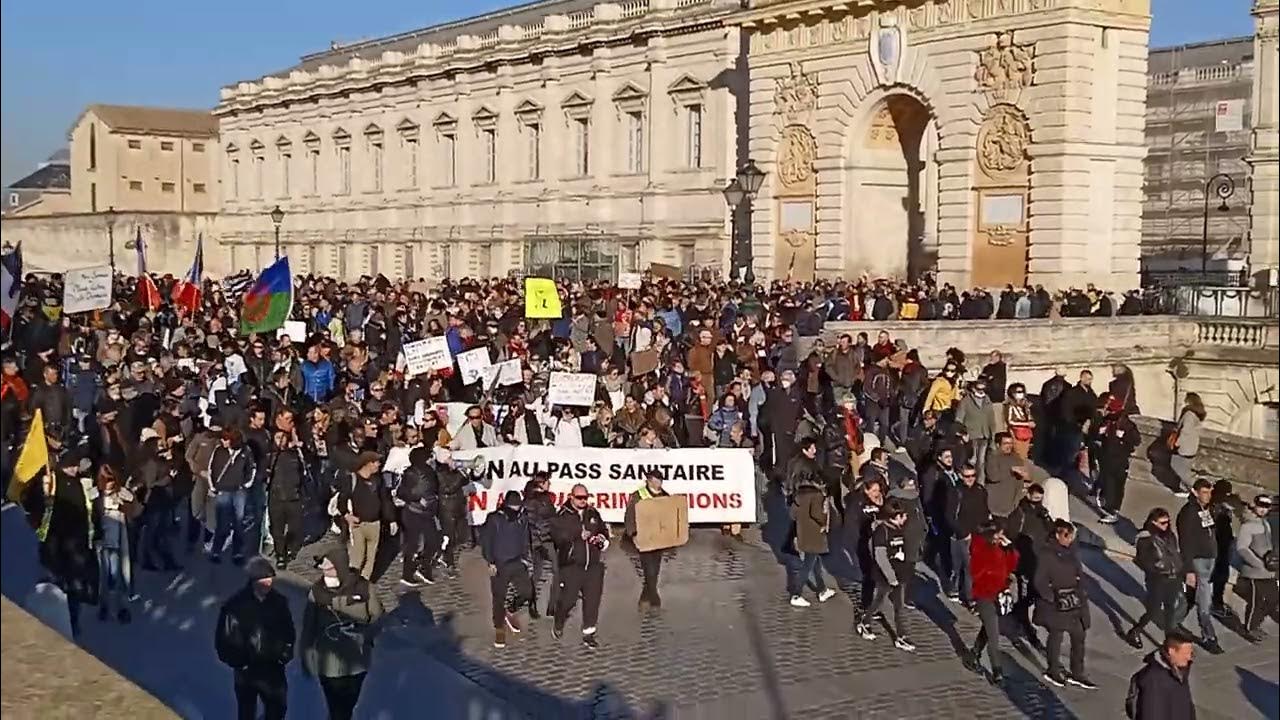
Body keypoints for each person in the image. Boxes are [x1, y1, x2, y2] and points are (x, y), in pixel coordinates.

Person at [21, 437, 98, 638]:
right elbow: (32, 505)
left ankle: (71, 622)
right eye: (72, 465)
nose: (75, 469)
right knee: (61, 588)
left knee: (71, 589)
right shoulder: (50, 483)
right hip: (57, 545)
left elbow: (90, 509)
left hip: (73, 547)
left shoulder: (80, 483)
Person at [301, 547, 384, 720]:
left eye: (329, 569)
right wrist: (306, 655)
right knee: (337, 708)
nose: (326, 574)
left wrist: (364, 634)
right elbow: (309, 627)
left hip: (357, 662)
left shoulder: (363, 588)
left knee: (349, 704)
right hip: (328, 664)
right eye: (323, 570)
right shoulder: (317, 592)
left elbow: (378, 618)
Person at [215, 557, 296, 720]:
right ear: (253, 581)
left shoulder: (279, 602)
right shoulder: (235, 606)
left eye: (270, 580)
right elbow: (223, 639)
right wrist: (239, 663)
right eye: (263, 580)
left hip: (273, 668)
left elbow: (289, 631)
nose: (268, 584)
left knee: (277, 709)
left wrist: (285, 653)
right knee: (246, 712)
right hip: (247, 671)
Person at [1034, 520, 1095, 689]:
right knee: (1056, 637)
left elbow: (1079, 574)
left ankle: (1077, 672)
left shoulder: (1072, 553)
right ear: (1057, 535)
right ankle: (1053, 670)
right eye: (1067, 536)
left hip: (1075, 601)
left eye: (1072, 537)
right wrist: (1051, 597)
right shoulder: (1047, 554)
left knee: (1079, 637)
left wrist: (1082, 590)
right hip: (1057, 603)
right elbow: (1039, 580)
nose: (1070, 540)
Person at [551, 483, 609, 649]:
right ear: (571, 497)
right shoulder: (562, 515)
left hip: (593, 566)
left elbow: (602, 530)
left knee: (592, 601)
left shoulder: (592, 513)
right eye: (579, 498)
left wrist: (602, 539)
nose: (583, 501)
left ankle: (589, 633)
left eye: (585, 497)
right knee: (568, 600)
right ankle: (559, 620)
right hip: (571, 565)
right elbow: (557, 536)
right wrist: (576, 535)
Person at [962, 520, 1019, 685]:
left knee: (988, 627)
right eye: (999, 533)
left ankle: (974, 653)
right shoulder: (980, 549)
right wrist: (991, 568)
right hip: (985, 596)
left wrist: (1010, 549)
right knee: (994, 634)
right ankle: (997, 670)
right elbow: (976, 573)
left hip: (999, 594)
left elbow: (1012, 565)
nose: (1001, 536)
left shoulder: (999, 548)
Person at [1125, 508, 1188, 649]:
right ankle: (1136, 631)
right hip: (1158, 580)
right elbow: (1142, 560)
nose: (1166, 525)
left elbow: (1175, 555)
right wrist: (1157, 569)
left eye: (1167, 521)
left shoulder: (1170, 535)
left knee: (1170, 609)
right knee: (1153, 609)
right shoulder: (1145, 538)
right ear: (1153, 522)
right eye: (1162, 522)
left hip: (1173, 577)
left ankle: (1169, 641)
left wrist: (1180, 571)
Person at [858, 500, 915, 652]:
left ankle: (900, 635)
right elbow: (880, 556)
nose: (906, 518)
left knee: (898, 606)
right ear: (896, 516)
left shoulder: (899, 529)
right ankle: (865, 621)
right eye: (904, 515)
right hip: (885, 574)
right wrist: (891, 577)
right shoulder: (882, 531)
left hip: (898, 573)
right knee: (880, 599)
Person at [1175, 478, 1224, 654]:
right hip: (1198, 561)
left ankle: (1174, 620)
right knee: (1205, 601)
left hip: (1210, 559)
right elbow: (1185, 543)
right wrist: (1188, 569)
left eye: (1210, 492)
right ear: (1195, 492)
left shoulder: (1206, 509)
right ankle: (1209, 636)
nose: (1208, 496)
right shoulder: (1188, 513)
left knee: (1193, 595)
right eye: (1204, 492)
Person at [482, 490, 534, 648]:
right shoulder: (494, 519)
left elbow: (525, 538)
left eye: (518, 506)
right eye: (513, 506)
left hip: (517, 562)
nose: (516, 510)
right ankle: (499, 629)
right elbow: (486, 541)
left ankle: (510, 609)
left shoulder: (522, 519)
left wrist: (525, 558)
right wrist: (490, 561)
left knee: (527, 592)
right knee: (498, 598)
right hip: (500, 564)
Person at [336, 451, 397, 581]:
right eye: (376, 462)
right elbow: (341, 501)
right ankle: (351, 584)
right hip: (358, 524)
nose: (379, 465)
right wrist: (347, 516)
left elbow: (385, 500)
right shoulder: (352, 480)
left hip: (375, 524)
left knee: (371, 558)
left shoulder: (378, 480)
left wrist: (391, 520)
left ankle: (364, 583)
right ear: (368, 463)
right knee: (357, 558)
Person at [788, 456, 836, 609]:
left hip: (803, 533)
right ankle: (796, 594)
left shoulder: (799, 495)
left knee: (815, 561)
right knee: (808, 565)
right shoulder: (817, 496)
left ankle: (822, 590)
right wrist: (824, 522)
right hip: (815, 533)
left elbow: (792, 514)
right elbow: (817, 513)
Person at [624, 471, 671, 612]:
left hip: (659, 538)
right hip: (643, 537)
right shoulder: (638, 495)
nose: (659, 483)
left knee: (655, 570)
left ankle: (644, 598)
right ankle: (654, 598)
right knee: (648, 569)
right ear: (649, 481)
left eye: (660, 480)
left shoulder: (665, 496)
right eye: (656, 480)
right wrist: (632, 534)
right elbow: (630, 515)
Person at [208, 428, 256, 564]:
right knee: (222, 523)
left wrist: (246, 484)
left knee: (239, 523)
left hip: (239, 491)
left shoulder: (246, 452)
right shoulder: (219, 451)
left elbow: (251, 468)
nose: (222, 441)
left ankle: (237, 552)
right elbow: (211, 468)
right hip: (223, 490)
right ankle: (216, 550)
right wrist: (213, 486)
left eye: (225, 439)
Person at [1125, 630, 1197, 720]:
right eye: (1185, 653)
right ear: (1172, 651)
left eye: (1190, 653)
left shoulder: (1179, 671)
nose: (1189, 657)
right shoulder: (1152, 680)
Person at [1235, 494, 1278, 643]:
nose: (1263, 510)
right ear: (1254, 505)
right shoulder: (1248, 525)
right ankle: (1250, 628)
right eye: (1261, 506)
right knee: (1256, 602)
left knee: (1273, 599)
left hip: (1268, 570)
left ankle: (1255, 624)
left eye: (1266, 507)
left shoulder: (1265, 523)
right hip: (1255, 572)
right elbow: (1241, 548)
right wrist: (1257, 563)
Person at [396, 446, 441, 587]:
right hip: (413, 512)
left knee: (433, 541)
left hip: (428, 512)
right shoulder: (410, 474)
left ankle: (423, 566)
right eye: (429, 457)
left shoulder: (431, 472)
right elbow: (401, 492)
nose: (431, 459)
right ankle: (407, 574)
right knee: (412, 545)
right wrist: (417, 498)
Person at [946, 463, 989, 607]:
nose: (971, 479)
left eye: (973, 476)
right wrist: (963, 533)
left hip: (977, 534)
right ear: (960, 476)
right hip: (961, 535)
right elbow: (949, 516)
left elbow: (984, 511)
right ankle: (959, 591)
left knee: (971, 567)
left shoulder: (980, 490)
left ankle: (970, 597)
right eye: (967, 476)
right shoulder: (955, 492)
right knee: (959, 567)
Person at [265, 429, 306, 569]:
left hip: (293, 497)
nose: (280, 440)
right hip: (276, 497)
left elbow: (303, 473)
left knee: (296, 527)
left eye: (282, 438)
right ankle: (280, 555)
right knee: (277, 529)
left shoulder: (295, 455)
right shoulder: (270, 456)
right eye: (277, 437)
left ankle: (290, 547)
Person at [1095, 397, 1140, 523]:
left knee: (1118, 485)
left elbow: (1136, 441)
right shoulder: (1106, 422)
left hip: (1120, 459)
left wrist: (1124, 436)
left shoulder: (1127, 425)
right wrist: (1100, 433)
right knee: (1109, 484)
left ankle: (1114, 510)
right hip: (1107, 458)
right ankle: (1108, 507)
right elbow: (1097, 437)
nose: (1107, 412)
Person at [1169, 393, 1206, 492]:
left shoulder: (1189, 414)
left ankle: (1197, 486)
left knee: (1177, 466)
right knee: (1184, 468)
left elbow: (1185, 431)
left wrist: (1177, 443)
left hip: (1185, 447)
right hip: (1191, 446)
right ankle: (1184, 488)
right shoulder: (1195, 414)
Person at [1004, 383, 1035, 460]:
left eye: (1022, 392)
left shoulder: (1025, 405)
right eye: (1017, 392)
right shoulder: (1010, 406)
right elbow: (1010, 421)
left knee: (1024, 454)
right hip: (1016, 432)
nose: (1020, 394)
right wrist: (1026, 424)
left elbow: (1029, 417)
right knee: (1018, 454)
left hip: (1026, 432)